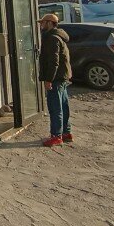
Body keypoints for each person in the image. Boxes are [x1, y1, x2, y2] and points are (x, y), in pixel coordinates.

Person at [37, 12, 73, 147]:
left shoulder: (52, 38)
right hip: (62, 76)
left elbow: (54, 61)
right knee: (63, 105)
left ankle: (56, 136)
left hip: (56, 78)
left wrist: (48, 79)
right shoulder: (59, 36)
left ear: (50, 23)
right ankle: (66, 132)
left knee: (55, 107)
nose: (41, 25)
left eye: (43, 22)